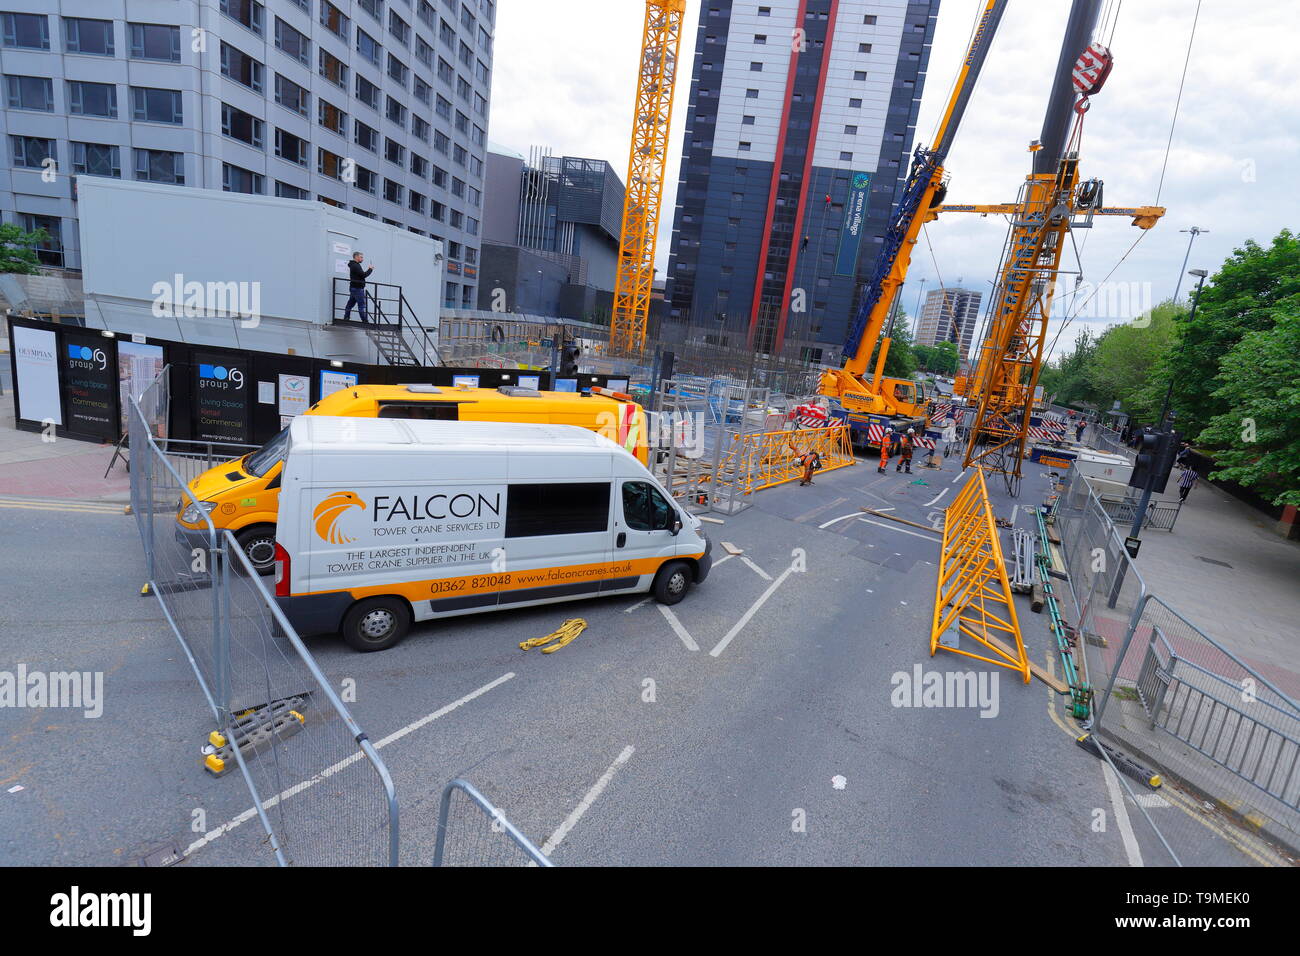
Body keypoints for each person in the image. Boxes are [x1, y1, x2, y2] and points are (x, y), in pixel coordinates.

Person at [343, 251, 374, 322]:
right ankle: (365, 321)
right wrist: (370, 269)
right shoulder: (355, 265)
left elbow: (360, 275)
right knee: (361, 305)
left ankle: (346, 317)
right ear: (356, 257)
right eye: (361, 257)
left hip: (354, 287)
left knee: (350, 304)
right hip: (358, 288)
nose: (362, 259)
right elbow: (363, 275)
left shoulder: (354, 265)